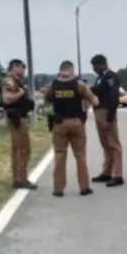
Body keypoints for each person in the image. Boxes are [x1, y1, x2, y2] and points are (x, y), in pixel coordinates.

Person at [42, 61, 99, 197]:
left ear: (60, 70)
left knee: (60, 155)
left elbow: (46, 100)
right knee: (80, 155)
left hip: (59, 123)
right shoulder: (79, 85)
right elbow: (94, 101)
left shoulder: (52, 85)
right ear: (72, 71)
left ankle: (58, 189)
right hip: (76, 123)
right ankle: (84, 187)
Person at [0, 59, 37, 190]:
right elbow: (7, 98)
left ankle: (20, 177)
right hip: (16, 118)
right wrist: (21, 93)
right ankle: (20, 178)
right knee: (21, 149)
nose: (23, 70)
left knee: (22, 149)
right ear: (14, 68)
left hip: (20, 117)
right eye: (22, 68)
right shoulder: (9, 81)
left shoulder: (15, 81)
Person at [88, 54, 124, 187]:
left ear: (102, 64)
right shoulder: (100, 78)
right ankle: (107, 172)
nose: (94, 68)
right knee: (105, 145)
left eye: (95, 66)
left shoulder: (111, 77)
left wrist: (109, 119)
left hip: (106, 112)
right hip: (98, 111)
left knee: (114, 144)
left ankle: (118, 174)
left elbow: (114, 98)